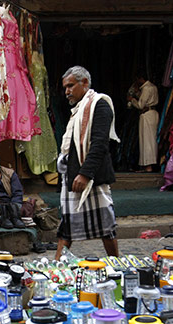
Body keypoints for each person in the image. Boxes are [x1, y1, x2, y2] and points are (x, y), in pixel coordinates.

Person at [55, 66, 119, 261]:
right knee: (67, 226)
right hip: (74, 175)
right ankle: (56, 266)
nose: (67, 91)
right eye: (65, 87)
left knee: (105, 226)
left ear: (85, 83)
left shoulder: (100, 105)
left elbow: (100, 144)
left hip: (92, 178)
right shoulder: (79, 110)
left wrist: (85, 174)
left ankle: (116, 265)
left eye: (70, 86)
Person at [128, 72, 159, 172]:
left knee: (146, 141)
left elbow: (141, 105)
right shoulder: (153, 87)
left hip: (146, 115)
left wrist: (132, 100)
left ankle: (148, 166)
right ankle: (150, 164)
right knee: (152, 140)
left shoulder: (146, 88)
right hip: (153, 113)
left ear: (141, 79)